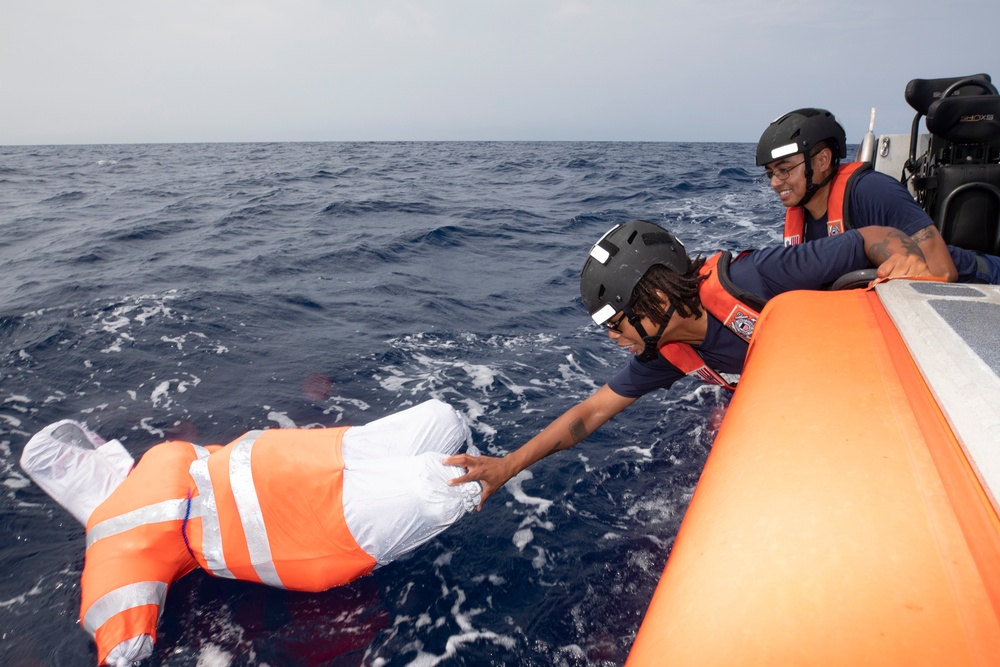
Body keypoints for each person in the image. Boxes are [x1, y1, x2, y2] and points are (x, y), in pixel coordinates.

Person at [444, 219, 933, 508]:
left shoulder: (754, 277)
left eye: (617, 323)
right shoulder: (668, 353)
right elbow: (589, 414)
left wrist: (904, 258)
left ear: (655, 298)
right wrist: (507, 466)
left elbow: (872, 237)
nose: (614, 339)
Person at [19, 399, 482, 667]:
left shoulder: (152, 469)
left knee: (445, 420)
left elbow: (123, 649)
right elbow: (123, 646)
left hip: (312, 458)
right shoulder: (116, 544)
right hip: (309, 524)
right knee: (445, 483)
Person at [755, 107, 1000, 284]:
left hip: (981, 281)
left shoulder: (873, 191)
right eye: (771, 173)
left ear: (822, 160)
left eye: (785, 170)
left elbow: (942, 272)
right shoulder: (801, 215)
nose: (776, 183)